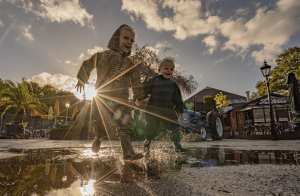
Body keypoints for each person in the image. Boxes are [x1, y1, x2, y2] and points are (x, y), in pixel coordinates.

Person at [75, 24, 145, 161]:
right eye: (126, 38)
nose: (129, 42)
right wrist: (82, 79)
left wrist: (139, 96)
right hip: (103, 98)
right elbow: (88, 63)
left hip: (122, 101)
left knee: (125, 122)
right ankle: (98, 137)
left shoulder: (131, 64)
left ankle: (128, 152)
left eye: (132, 41)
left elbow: (136, 80)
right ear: (116, 39)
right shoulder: (106, 56)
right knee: (101, 122)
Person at [136, 57, 187, 156]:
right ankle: (147, 144)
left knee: (174, 127)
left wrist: (179, 110)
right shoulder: (154, 80)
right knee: (150, 128)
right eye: (166, 68)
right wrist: (140, 98)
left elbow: (178, 99)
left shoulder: (173, 84)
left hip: (168, 110)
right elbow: (145, 89)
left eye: (171, 69)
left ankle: (177, 145)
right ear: (159, 70)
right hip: (153, 110)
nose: (169, 71)